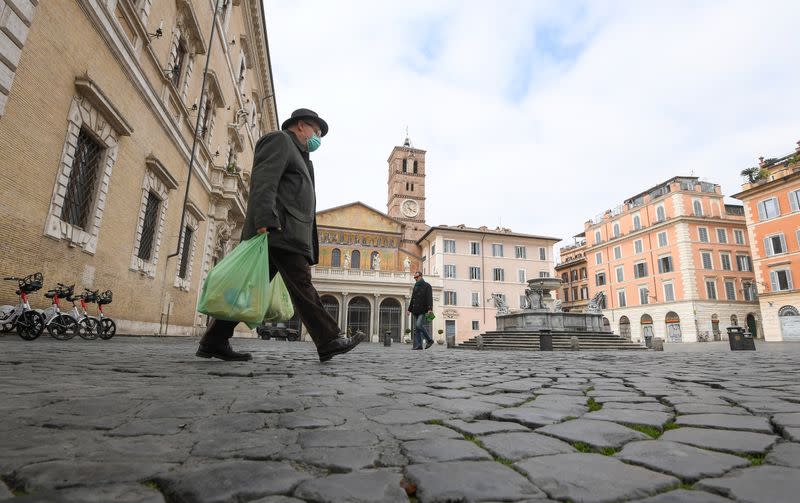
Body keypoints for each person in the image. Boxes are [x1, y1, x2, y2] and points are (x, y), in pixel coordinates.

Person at [196, 108, 367, 362]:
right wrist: (264, 219)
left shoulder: (301, 157)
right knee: (302, 285)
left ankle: (214, 340)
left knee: (247, 288)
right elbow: (264, 181)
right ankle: (329, 339)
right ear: (300, 125)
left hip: (287, 233)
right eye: (316, 131)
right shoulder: (279, 141)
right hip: (279, 231)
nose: (317, 137)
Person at [407, 271, 434, 350]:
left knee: (419, 325)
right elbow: (413, 298)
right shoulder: (415, 286)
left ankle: (429, 340)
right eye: (414, 277)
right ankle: (419, 345)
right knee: (417, 328)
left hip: (423, 309)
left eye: (416, 277)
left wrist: (430, 309)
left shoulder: (427, 286)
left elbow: (429, 298)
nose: (415, 279)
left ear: (421, 276)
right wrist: (409, 309)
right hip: (415, 310)